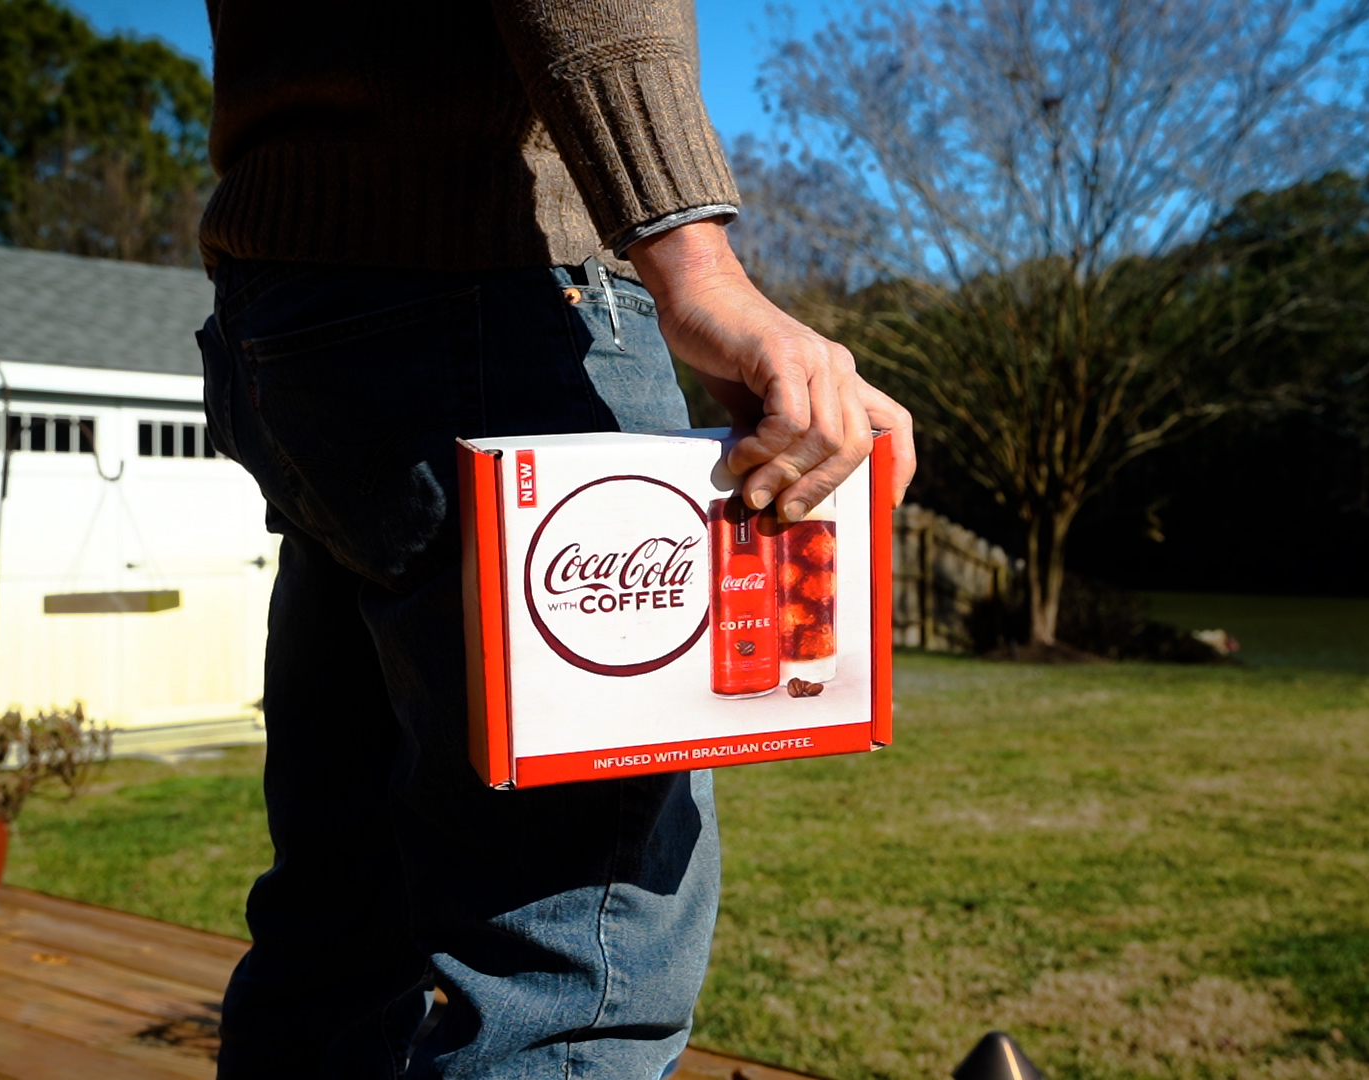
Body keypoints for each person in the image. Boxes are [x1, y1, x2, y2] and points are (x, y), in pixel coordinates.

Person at [191, 2, 915, 1077]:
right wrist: (696, 263)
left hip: (295, 310)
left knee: (341, 920)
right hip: (496, 305)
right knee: (580, 976)